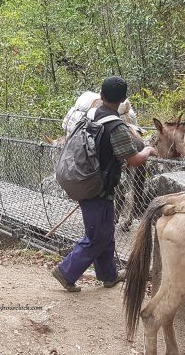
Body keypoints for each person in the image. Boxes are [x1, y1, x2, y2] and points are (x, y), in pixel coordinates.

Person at [52, 76, 156, 292]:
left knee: (105, 232)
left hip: (86, 179)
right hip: (97, 188)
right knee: (96, 237)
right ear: (123, 99)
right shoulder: (116, 127)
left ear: (101, 95)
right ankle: (66, 272)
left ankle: (108, 275)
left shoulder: (91, 116)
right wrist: (147, 150)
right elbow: (133, 160)